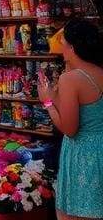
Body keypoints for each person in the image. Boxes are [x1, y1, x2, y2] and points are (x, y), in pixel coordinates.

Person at [37, 18, 103, 220]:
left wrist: (47, 103)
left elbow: (69, 129)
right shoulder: (97, 72)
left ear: (72, 47)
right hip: (99, 149)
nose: (61, 48)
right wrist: (54, 95)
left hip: (83, 155)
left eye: (63, 43)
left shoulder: (71, 79)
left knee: (74, 214)